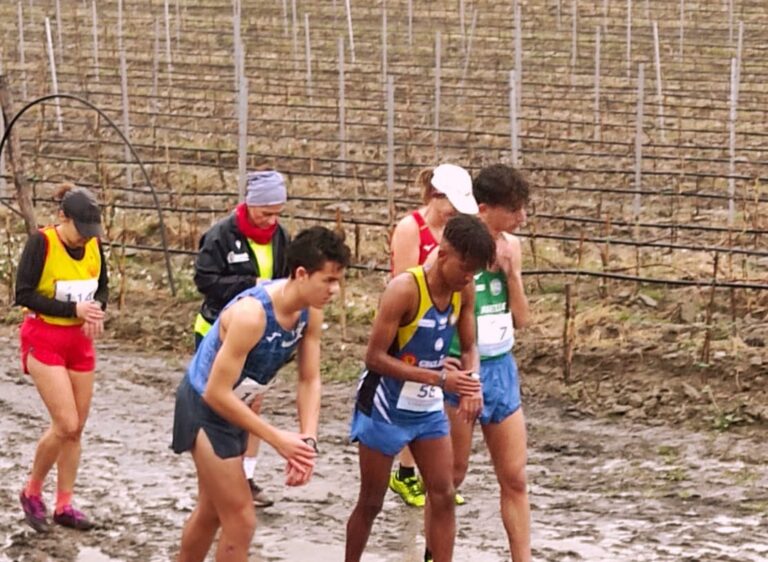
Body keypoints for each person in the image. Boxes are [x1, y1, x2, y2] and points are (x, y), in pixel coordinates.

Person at [173, 226, 350, 562]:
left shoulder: (309, 311)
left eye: (338, 280)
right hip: (203, 406)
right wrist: (278, 440)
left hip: (234, 407)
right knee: (241, 519)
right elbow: (215, 393)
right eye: (328, 280)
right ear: (301, 273)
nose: (335, 290)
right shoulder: (252, 316)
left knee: (212, 511)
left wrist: (307, 441)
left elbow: (309, 379)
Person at [345, 214, 496, 562]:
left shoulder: (464, 289)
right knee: (371, 501)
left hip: (427, 408)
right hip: (384, 405)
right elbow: (374, 358)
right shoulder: (404, 290)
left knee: (443, 494)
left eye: (475, 272)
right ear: (443, 254)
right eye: (465, 268)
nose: (468, 278)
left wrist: (472, 382)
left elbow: (470, 346)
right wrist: (440, 379)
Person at [444, 164, 532, 562]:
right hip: (460, 370)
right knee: (451, 477)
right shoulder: (455, 249)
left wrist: (512, 274)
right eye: (514, 210)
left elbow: (522, 319)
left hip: (501, 368)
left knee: (514, 477)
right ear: (483, 209)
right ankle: (436, 553)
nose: (521, 218)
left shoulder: (512, 247)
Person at [193, 168, 290, 508]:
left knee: (252, 403)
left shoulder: (281, 237)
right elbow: (205, 280)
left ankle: (245, 478)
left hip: (259, 336)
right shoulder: (220, 236)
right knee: (219, 407)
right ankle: (214, 478)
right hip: (217, 333)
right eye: (265, 213)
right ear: (249, 205)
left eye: (277, 213)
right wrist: (251, 287)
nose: (270, 221)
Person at [15, 184, 108, 532]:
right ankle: (31, 491)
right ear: (62, 218)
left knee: (76, 430)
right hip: (44, 337)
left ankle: (64, 504)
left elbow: (102, 286)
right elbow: (22, 294)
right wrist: (73, 308)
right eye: (80, 231)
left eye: (90, 233)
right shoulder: (41, 243)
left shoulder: (94, 244)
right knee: (65, 423)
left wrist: (97, 309)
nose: (85, 239)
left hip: (80, 340)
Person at [388, 163, 478, 508]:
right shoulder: (411, 228)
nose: (453, 211)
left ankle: (419, 473)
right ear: (433, 196)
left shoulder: (453, 232)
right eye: (449, 203)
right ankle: (405, 472)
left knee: (429, 398)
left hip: (443, 321)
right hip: (413, 322)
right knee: (411, 396)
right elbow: (405, 279)